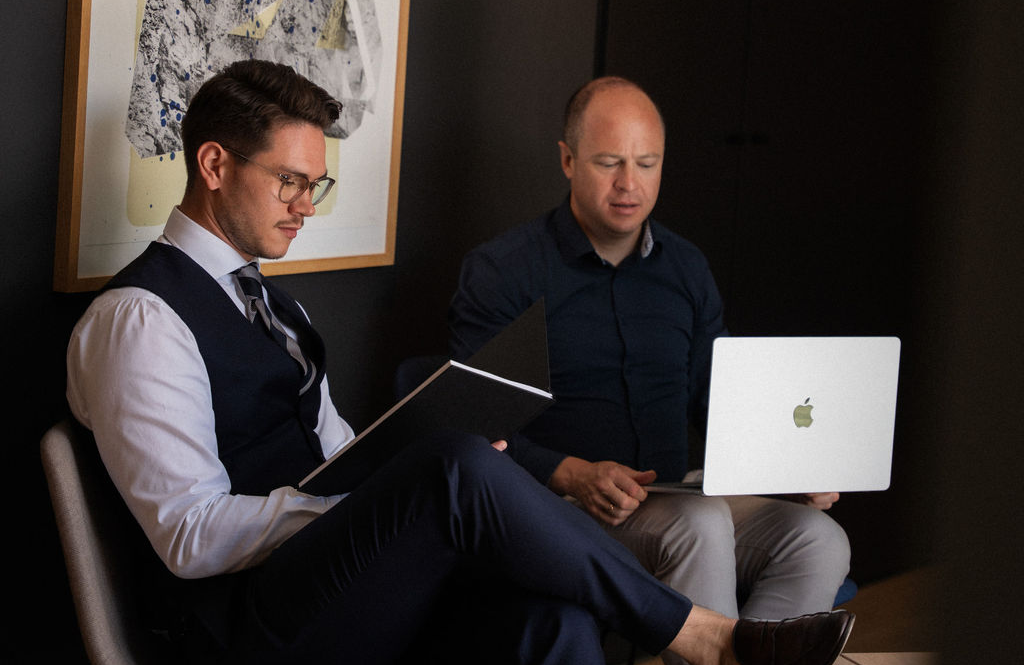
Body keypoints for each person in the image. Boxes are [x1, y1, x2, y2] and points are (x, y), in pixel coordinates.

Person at [66, 60, 853, 665]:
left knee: (554, 619)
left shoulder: (276, 306)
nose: (306, 204)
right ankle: (706, 638)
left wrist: (388, 473)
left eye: (318, 184)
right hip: (240, 626)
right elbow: (188, 534)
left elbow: (338, 453)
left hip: (329, 587)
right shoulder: (141, 319)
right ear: (213, 165)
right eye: (291, 181)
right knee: (453, 466)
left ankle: (690, 632)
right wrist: (368, 502)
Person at [448, 76, 852, 660]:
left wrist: (786, 463)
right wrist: (570, 473)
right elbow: (475, 422)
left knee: (817, 537)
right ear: (567, 160)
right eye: (609, 162)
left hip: (674, 491)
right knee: (701, 523)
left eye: (647, 163)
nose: (629, 184)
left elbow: (717, 398)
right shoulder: (502, 271)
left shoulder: (685, 268)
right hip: (554, 507)